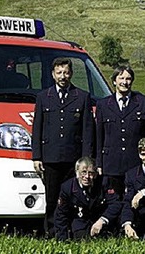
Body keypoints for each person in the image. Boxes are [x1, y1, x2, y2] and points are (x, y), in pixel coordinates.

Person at [32, 57, 94, 236]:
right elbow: (37, 128)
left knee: (74, 197)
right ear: (53, 74)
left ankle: (72, 230)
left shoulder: (82, 97)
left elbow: (87, 130)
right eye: (59, 72)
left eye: (66, 72)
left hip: (73, 158)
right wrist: (36, 156)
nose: (63, 76)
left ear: (71, 74)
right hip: (50, 157)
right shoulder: (43, 97)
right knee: (52, 198)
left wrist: (86, 159)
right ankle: (51, 232)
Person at [95, 66, 145, 196]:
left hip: (134, 163)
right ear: (114, 81)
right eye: (121, 78)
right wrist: (98, 163)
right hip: (111, 163)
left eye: (128, 78)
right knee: (113, 202)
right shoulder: (103, 105)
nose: (125, 82)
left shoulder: (143, 102)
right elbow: (99, 136)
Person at [54, 157, 121, 241]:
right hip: (81, 224)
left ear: (96, 174)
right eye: (83, 172)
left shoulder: (104, 183)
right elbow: (61, 215)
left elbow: (116, 203)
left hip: (101, 223)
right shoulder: (67, 187)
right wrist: (62, 239)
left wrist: (102, 220)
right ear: (77, 172)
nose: (87, 176)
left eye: (91, 173)